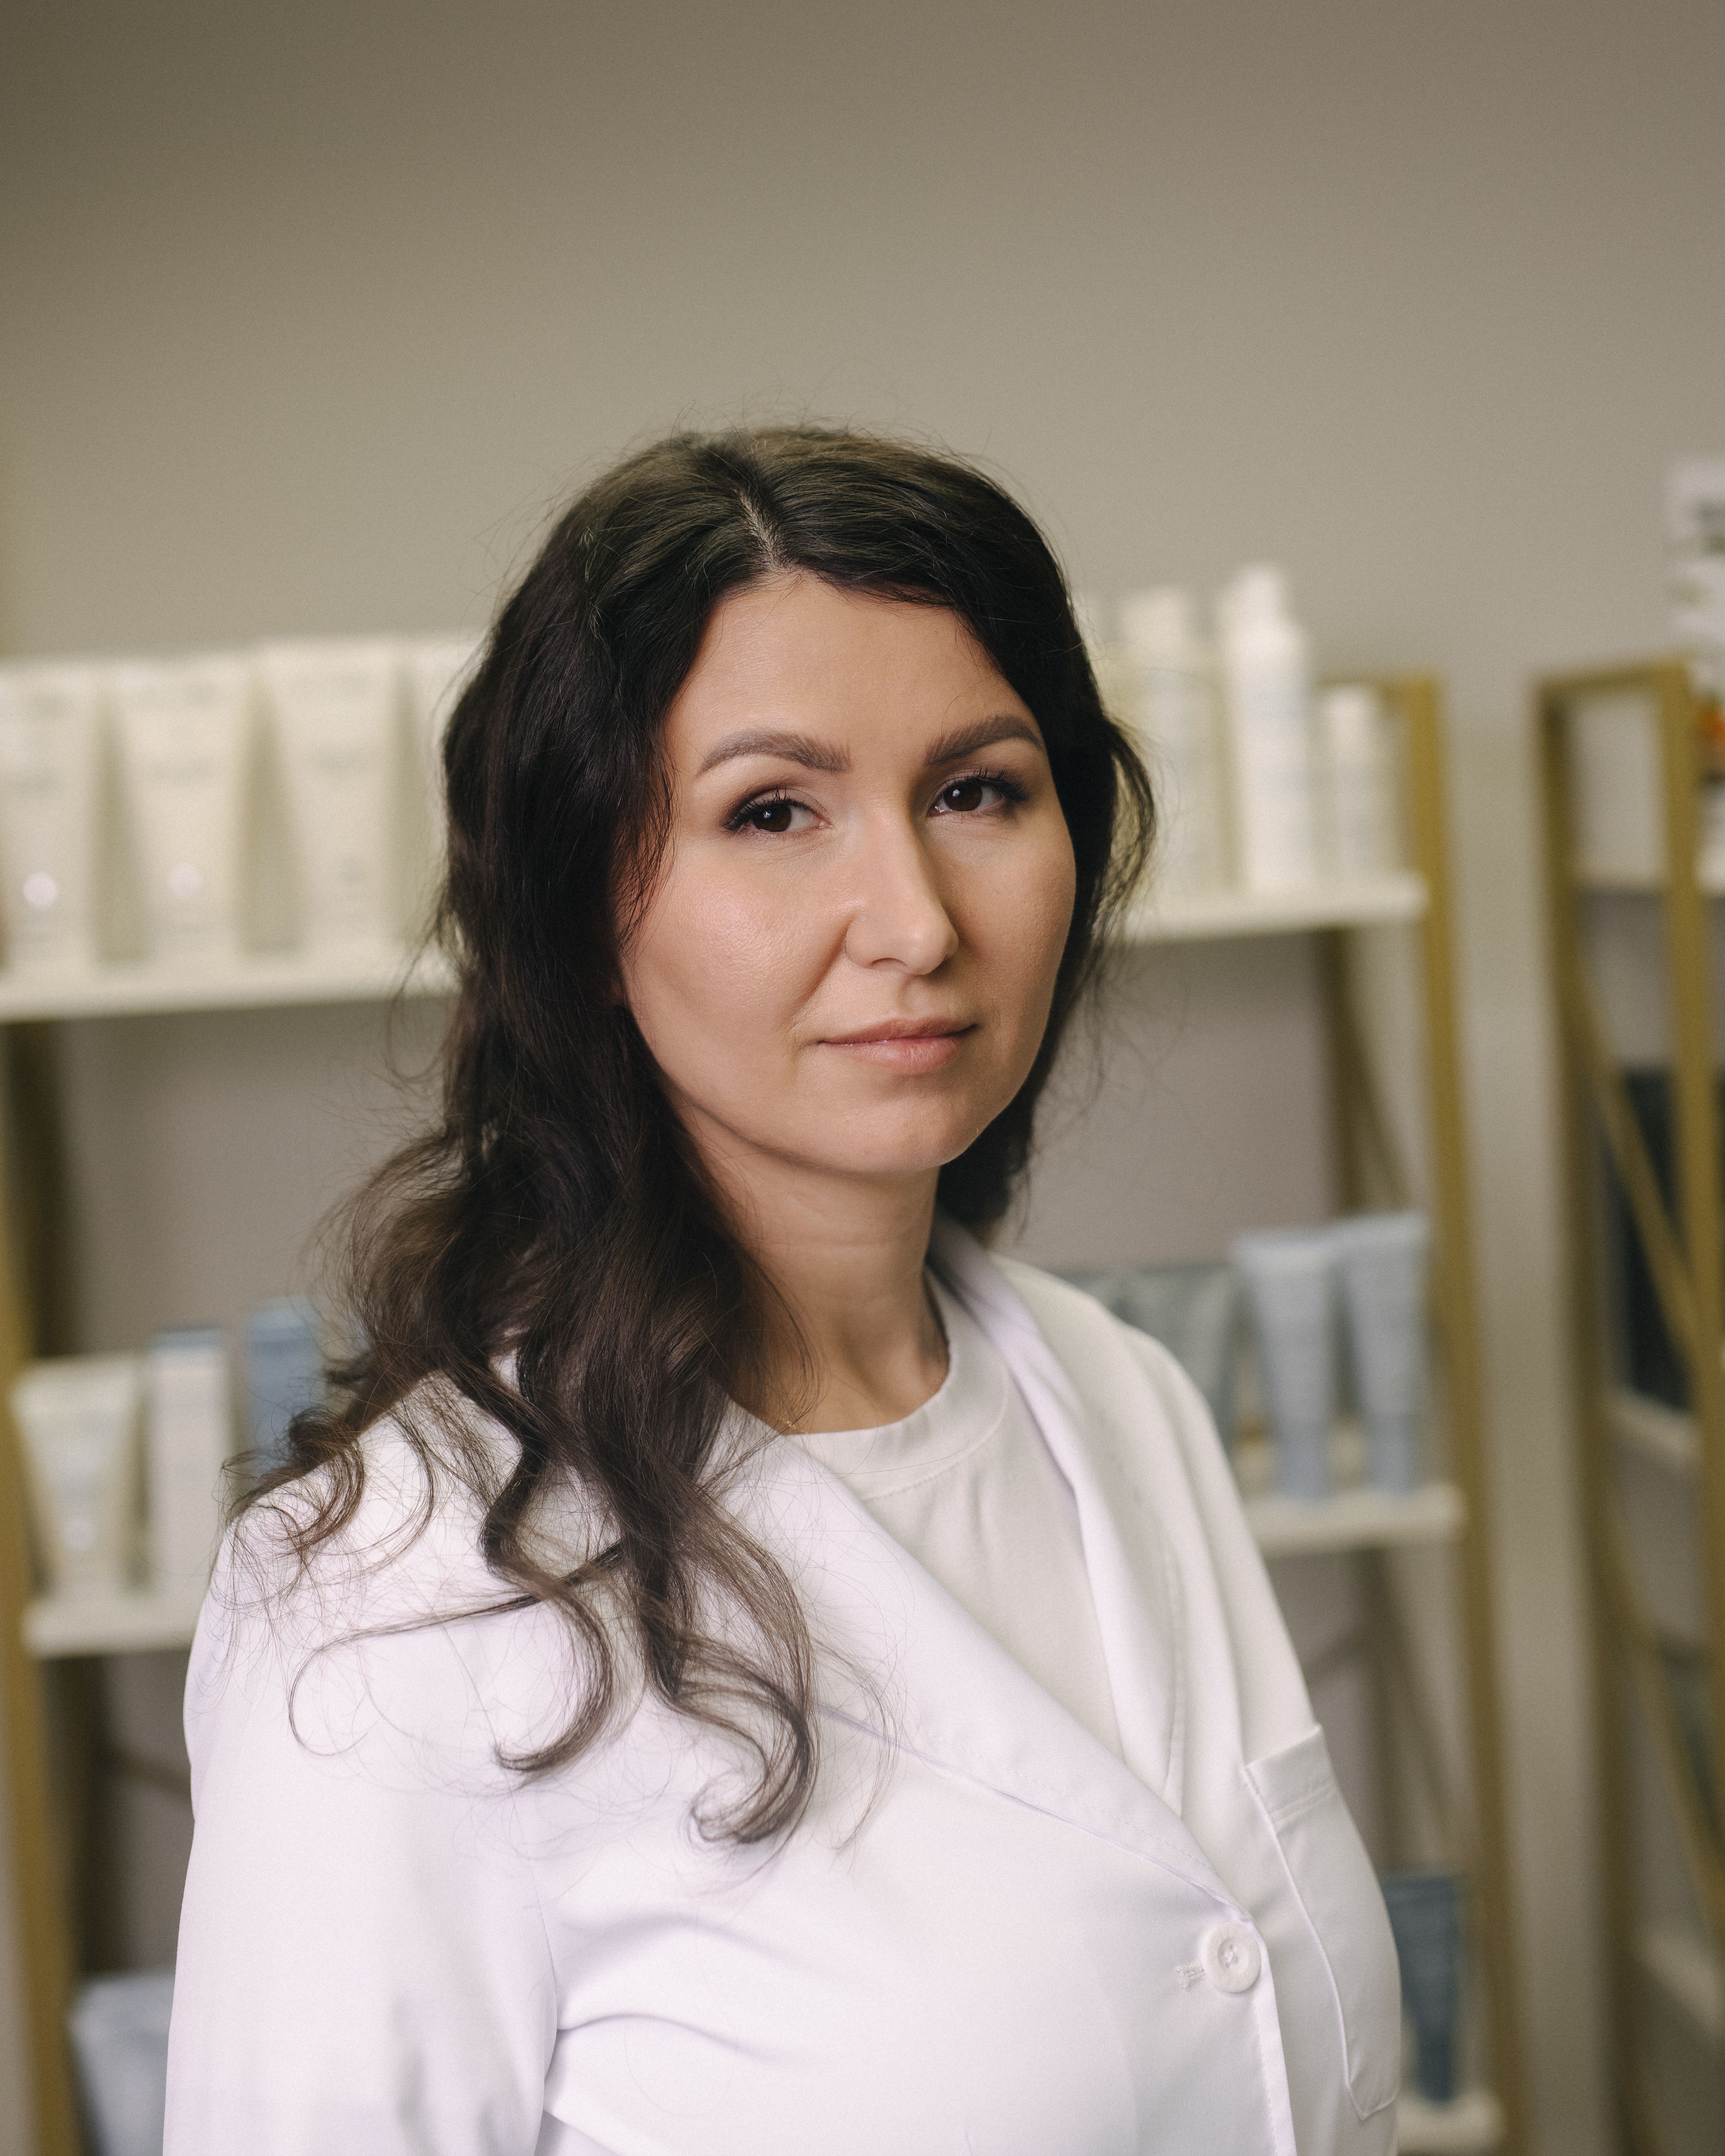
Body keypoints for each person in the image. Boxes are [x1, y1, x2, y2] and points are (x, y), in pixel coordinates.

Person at [166, 426, 1400, 2155]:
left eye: (978, 789)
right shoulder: (394, 1609)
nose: (912, 918)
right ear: (578, 904)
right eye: (771, 811)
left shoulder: (1122, 1399)